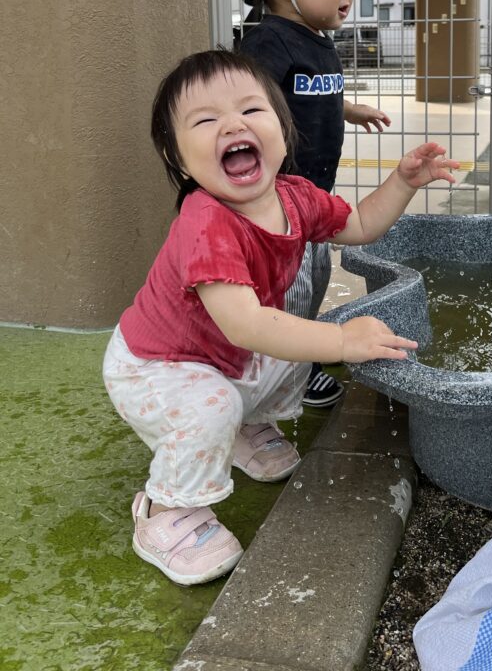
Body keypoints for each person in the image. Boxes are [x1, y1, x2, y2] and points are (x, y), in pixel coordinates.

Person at [102, 49, 458, 586]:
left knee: (291, 345)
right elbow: (246, 324)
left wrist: (403, 182)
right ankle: (164, 508)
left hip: (223, 353)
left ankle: (245, 431)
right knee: (215, 401)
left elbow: (361, 224)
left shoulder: (295, 197)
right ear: (179, 158)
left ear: (283, 131)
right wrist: (341, 340)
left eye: (251, 110)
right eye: (205, 120)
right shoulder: (206, 222)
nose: (232, 125)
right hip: (156, 365)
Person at [238, 0, 390, 408]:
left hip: (312, 196)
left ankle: (303, 353)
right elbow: (246, 108)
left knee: (317, 276)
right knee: (290, 289)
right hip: (278, 203)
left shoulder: (312, 38)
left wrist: (347, 109)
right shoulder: (267, 43)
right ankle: (287, 377)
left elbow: (302, 93)